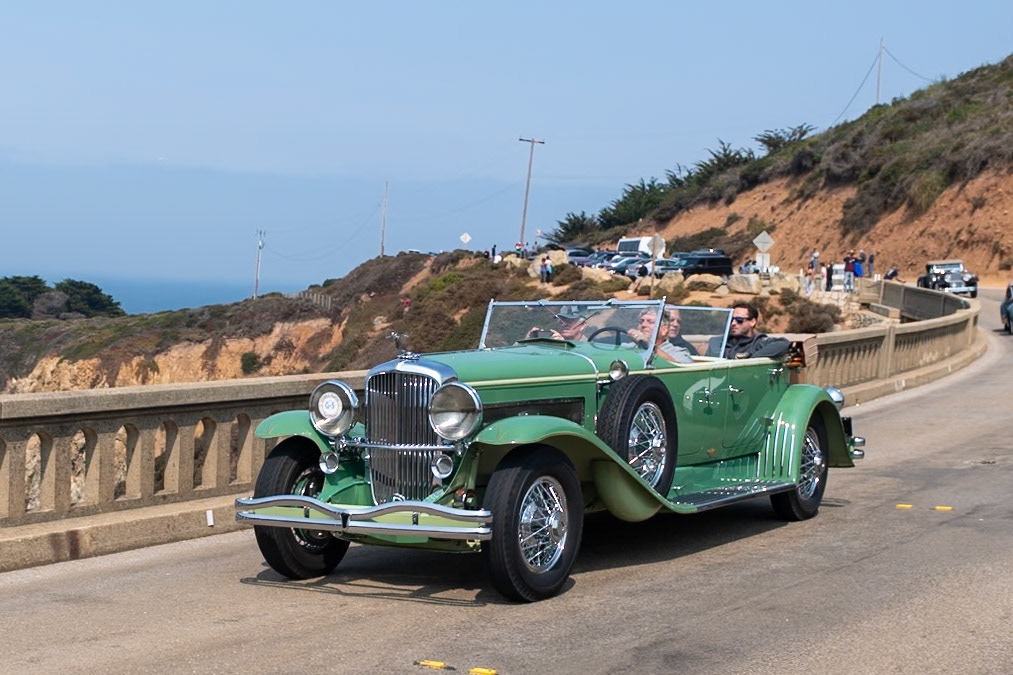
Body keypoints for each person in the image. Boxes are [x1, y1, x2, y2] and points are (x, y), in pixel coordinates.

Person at [720, 302, 790, 360]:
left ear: (752, 322)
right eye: (731, 319)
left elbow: (784, 344)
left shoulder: (758, 342)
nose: (733, 323)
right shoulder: (720, 343)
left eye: (739, 320)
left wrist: (752, 358)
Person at [628, 308, 694, 364]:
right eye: (641, 321)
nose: (643, 325)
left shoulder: (677, 352)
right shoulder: (629, 347)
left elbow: (682, 367)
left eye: (650, 322)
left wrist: (649, 346)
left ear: (664, 330)